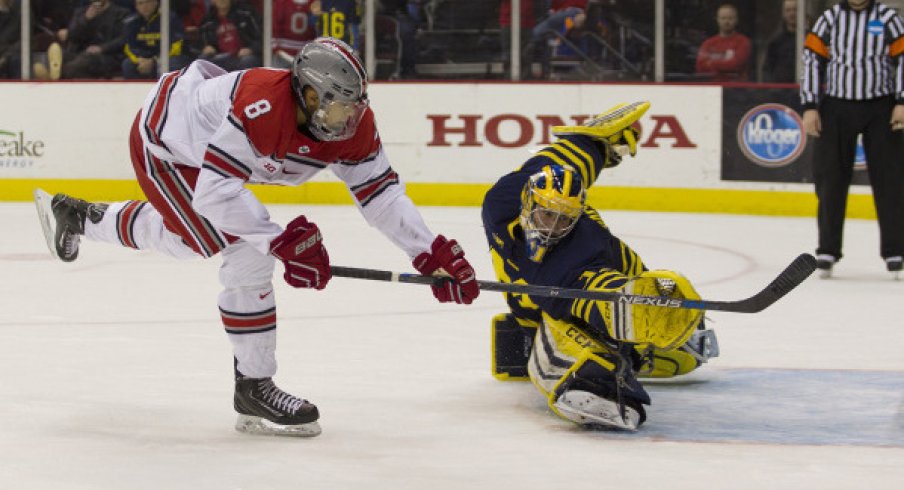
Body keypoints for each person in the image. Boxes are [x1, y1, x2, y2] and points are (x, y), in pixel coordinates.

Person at [34, 37, 480, 437]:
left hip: (212, 159)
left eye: (355, 105)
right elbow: (214, 192)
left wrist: (428, 253)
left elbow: (380, 194)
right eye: (339, 106)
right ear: (308, 93)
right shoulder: (263, 107)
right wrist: (279, 241)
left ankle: (83, 218)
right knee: (237, 248)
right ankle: (253, 385)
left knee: (199, 239)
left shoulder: (353, 124)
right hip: (169, 143)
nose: (350, 117)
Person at [481, 101, 719, 430]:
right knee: (565, 341)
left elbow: (601, 291)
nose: (553, 226)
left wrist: (643, 300)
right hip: (536, 310)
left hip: (563, 303)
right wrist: (593, 144)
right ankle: (597, 377)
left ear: (577, 215)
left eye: (564, 219)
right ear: (528, 203)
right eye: (547, 214)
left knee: (681, 356)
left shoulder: (582, 246)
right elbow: (554, 162)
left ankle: (636, 349)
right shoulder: (503, 201)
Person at [801, 0, 904, 278]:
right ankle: (827, 250)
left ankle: (895, 250)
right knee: (830, 178)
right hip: (836, 107)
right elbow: (811, 59)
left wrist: (902, 101)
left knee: (890, 179)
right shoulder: (829, 19)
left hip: (881, 107)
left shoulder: (887, 18)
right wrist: (810, 105)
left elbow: (903, 56)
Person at [58, 0, 130, 79]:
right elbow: (72, 37)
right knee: (60, 57)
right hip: (80, 54)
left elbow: (124, 38)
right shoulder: (80, 13)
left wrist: (102, 48)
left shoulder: (122, 14)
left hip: (108, 56)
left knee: (73, 67)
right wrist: (86, 19)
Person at [121, 0, 190, 79]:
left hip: (168, 57)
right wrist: (139, 60)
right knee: (127, 64)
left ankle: (165, 89)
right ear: (136, 6)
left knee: (171, 63)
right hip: (143, 59)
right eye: (140, 3)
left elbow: (176, 46)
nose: (144, 6)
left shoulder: (170, 18)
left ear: (156, 2)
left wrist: (155, 61)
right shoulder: (131, 22)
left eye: (148, 2)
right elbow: (128, 47)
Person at [198, 0, 262, 71]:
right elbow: (202, 44)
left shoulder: (246, 13)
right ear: (213, 1)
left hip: (242, 57)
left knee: (247, 61)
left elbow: (262, 37)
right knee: (202, 61)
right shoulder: (208, 20)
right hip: (220, 58)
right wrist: (208, 48)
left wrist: (251, 49)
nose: (222, 1)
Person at [694, 3, 751, 82]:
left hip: (736, 89)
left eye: (730, 18)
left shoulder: (743, 42)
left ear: (736, 20)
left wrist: (711, 63)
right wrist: (725, 63)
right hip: (713, 88)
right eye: (723, 18)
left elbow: (736, 64)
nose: (726, 22)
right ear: (717, 19)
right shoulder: (708, 43)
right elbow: (700, 66)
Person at [271, 0, 318, 69]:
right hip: (282, 54)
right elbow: (273, 28)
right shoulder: (281, 3)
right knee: (278, 74)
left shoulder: (315, 3)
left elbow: (317, 30)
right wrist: (276, 49)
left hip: (307, 55)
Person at [762, 0, 798, 83]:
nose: (792, 13)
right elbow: (767, 69)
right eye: (788, 10)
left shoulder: (810, 39)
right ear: (783, 14)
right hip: (780, 90)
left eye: (795, 10)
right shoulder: (776, 41)